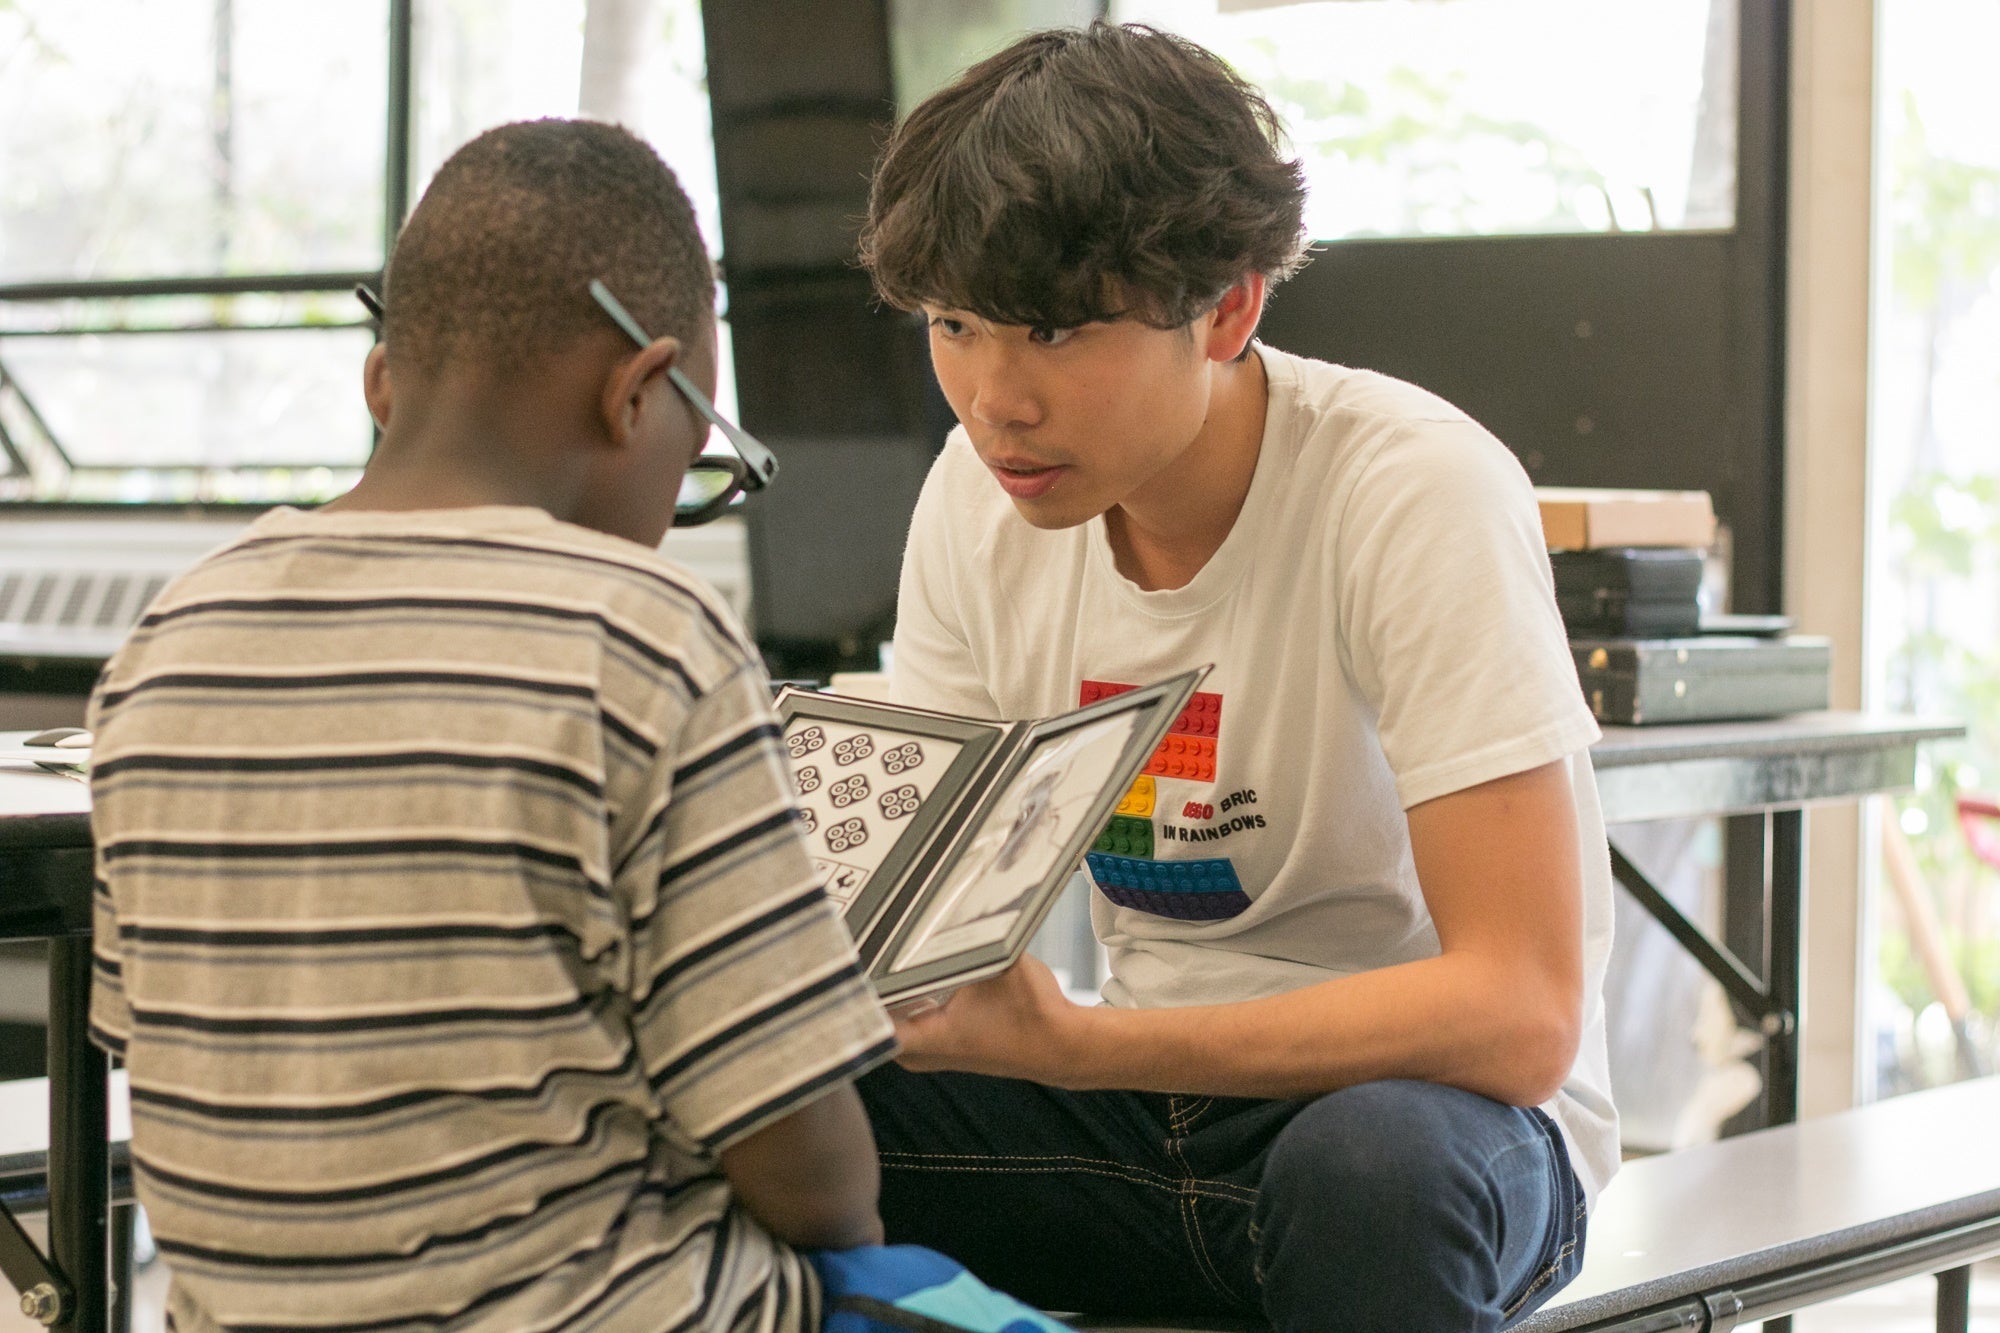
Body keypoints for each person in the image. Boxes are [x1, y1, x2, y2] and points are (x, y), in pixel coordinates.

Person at [85, 119, 1068, 1333]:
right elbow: (807, 1170)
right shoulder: (640, 635)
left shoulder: (167, 638)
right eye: (702, 458)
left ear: (381, 382)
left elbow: (154, 1051)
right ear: (638, 394)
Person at [854, 23, 1618, 1332]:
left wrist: (1088, 1046)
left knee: (1371, 1176)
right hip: (1127, 1132)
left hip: (1432, 1127)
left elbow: (1520, 1012)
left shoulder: (1410, 489)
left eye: (1047, 328)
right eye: (955, 325)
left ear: (1229, 307)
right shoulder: (974, 504)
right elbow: (920, 903)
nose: (992, 400)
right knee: (740, 1102)